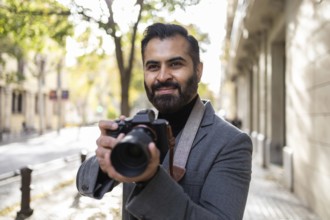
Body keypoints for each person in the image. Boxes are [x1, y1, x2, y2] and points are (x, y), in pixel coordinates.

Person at [76, 23, 252, 220]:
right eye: (153, 66)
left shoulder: (231, 143)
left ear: (198, 71)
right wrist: (105, 159)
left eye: (175, 64)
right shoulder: (138, 130)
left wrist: (151, 180)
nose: (162, 76)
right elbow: (85, 186)